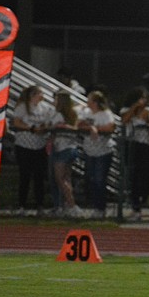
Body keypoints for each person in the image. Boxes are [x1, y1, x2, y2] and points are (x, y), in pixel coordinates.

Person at [10, 85, 53, 214]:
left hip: (39, 146)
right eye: (40, 93)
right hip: (24, 145)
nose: (42, 96)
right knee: (25, 176)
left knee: (39, 177)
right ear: (33, 95)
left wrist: (44, 128)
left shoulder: (44, 108)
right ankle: (21, 205)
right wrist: (31, 128)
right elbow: (17, 122)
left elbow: (48, 122)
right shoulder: (23, 106)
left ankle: (39, 205)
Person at [120, 86, 149, 221]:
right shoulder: (126, 109)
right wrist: (135, 108)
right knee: (133, 176)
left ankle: (143, 200)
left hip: (145, 145)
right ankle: (135, 207)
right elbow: (124, 121)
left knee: (145, 176)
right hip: (132, 144)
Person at [78, 90, 116, 219]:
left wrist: (97, 129)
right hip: (90, 150)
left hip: (103, 150)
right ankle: (95, 206)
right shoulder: (86, 112)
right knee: (91, 179)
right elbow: (79, 124)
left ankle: (101, 208)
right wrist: (90, 128)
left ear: (95, 102)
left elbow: (110, 127)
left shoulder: (105, 114)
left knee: (100, 179)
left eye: (90, 100)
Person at [49, 90, 84, 218]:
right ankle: (68, 205)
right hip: (71, 147)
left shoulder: (58, 114)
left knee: (60, 178)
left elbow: (52, 128)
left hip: (63, 148)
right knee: (67, 178)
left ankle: (72, 205)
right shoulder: (73, 114)